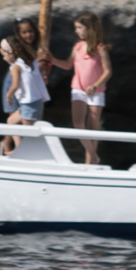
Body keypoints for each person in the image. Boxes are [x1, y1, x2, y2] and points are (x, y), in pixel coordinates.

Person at [50, 11, 112, 165]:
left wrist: (96, 84)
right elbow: (68, 65)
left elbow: (108, 71)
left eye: (79, 27)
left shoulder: (100, 48)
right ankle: (94, 156)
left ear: (89, 28)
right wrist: (52, 60)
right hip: (78, 88)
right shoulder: (77, 47)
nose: (76, 31)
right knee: (78, 123)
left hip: (96, 92)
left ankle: (89, 164)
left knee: (93, 128)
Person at [0, 34, 49, 155]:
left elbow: (15, 85)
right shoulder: (30, 62)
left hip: (29, 105)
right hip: (35, 103)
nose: (3, 58)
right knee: (11, 121)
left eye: (4, 55)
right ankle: (19, 148)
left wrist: (8, 96)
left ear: (11, 53)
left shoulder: (16, 67)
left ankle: (25, 153)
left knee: (28, 135)